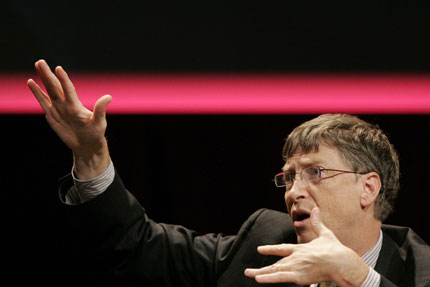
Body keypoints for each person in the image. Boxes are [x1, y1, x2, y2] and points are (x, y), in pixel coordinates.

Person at [27, 59, 430, 287]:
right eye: (289, 177)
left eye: (314, 173)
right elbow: (134, 244)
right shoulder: (262, 243)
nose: (294, 192)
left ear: (368, 188)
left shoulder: (420, 266)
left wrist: (359, 278)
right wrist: (91, 154)